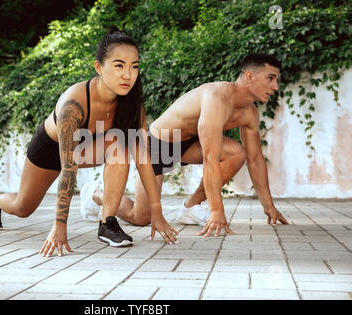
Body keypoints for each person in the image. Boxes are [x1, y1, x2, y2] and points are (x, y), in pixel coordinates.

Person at [0, 28, 179, 257]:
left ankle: (108, 223)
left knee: (121, 144)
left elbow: (143, 157)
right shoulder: (74, 103)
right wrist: (59, 226)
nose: (128, 74)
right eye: (119, 65)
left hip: (87, 148)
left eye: (134, 66)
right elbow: (69, 168)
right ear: (99, 67)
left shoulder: (131, 101)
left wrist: (157, 212)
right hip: (50, 150)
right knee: (22, 207)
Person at [91, 53, 289, 236]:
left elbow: (255, 160)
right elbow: (210, 159)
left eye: (276, 80)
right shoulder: (217, 97)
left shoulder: (249, 113)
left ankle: (191, 207)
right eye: (270, 78)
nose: (275, 86)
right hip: (157, 145)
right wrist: (216, 211)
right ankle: (97, 193)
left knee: (237, 153)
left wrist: (268, 205)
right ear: (249, 76)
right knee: (141, 217)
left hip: (189, 144)